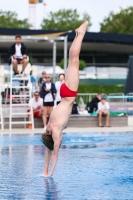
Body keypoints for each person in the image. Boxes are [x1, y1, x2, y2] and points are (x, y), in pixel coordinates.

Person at [41, 21, 89, 177]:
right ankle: (78, 34)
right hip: (64, 94)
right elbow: (48, 150)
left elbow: (53, 154)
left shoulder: (54, 132)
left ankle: (80, 34)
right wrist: (44, 170)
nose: (60, 143)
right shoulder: (50, 127)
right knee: (72, 59)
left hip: (69, 94)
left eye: (59, 143)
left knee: (74, 60)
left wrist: (50, 174)